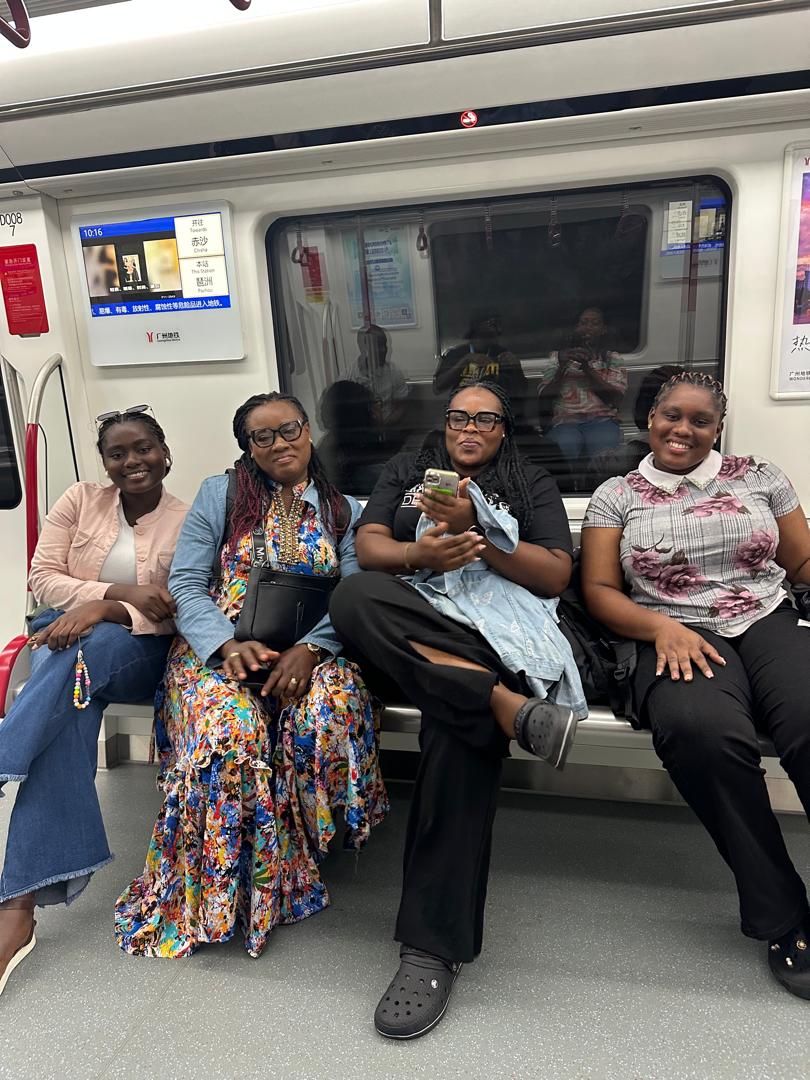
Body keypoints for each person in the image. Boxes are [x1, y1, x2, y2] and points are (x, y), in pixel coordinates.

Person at [330, 381, 586, 1039]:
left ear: (504, 430)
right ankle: (507, 707)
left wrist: (480, 535)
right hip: (418, 622)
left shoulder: (530, 481)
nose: (469, 429)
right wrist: (420, 553)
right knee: (354, 597)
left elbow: (556, 574)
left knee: (455, 728)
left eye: (485, 420)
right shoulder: (407, 471)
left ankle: (429, 950)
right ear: (444, 424)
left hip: (497, 630)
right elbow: (369, 548)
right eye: (458, 417)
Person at [115, 392, 388, 960]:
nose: (279, 443)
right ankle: (226, 893)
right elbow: (187, 583)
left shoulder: (343, 510)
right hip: (219, 649)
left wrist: (312, 649)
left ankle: (303, 856)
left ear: (308, 432)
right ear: (248, 448)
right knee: (230, 730)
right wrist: (225, 646)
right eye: (262, 436)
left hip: (312, 651)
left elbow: (354, 594)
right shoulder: (222, 494)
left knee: (326, 708)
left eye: (289, 429)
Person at [580, 370, 810, 1001]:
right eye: (671, 416)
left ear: (718, 428)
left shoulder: (758, 476)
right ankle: (782, 913)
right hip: (669, 628)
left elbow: (800, 561)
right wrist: (661, 628)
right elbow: (598, 591)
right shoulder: (616, 495)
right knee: (702, 734)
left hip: (765, 614)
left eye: (700, 420)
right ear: (650, 419)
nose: (683, 429)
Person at [0, 407, 187, 999]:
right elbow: (42, 577)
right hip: (66, 642)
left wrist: (108, 610)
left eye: (143, 448)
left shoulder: (188, 519)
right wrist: (116, 591)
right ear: (104, 462)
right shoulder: (79, 500)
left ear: (165, 453)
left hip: (139, 653)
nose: (132, 461)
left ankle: (4, 755)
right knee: (70, 705)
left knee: (91, 645)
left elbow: (178, 607)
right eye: (117, 453)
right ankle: (16, 908)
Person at [537, 307, 628, 465]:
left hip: (601, 420)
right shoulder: (558, 358)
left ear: (603, 330)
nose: (588, 328)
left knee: (604, 461)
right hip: (565, 421)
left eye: (594, 323)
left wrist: (586, 368)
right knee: (562, 455)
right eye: (583, 323)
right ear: (576, 328)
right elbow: (544, 397)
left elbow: (615, 398)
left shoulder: (611, 359)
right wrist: (562, 367)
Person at [433, 313, 529, 408]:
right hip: (462, 406)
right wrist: (465, 361)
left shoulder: (501, 354)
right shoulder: (456, 354)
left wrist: (517, 367)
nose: (494, 331)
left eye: (494, 333)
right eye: (489, 325)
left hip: (493, 407)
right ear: (475, 331)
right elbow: (438, 387)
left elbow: (522, 391)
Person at [316, 379, 385, 494]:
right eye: (376, 403)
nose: (380, 410)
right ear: (367, 413)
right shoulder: (373, 472)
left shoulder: (327, 447)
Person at [347, 323, 409, 426]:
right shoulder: (349, 377)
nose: (384, 350)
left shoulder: (394, 372)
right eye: (378, 346)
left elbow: (401, 406)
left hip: (388, 426)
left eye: (384, 345)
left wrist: (386, 424)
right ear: (364, 349)